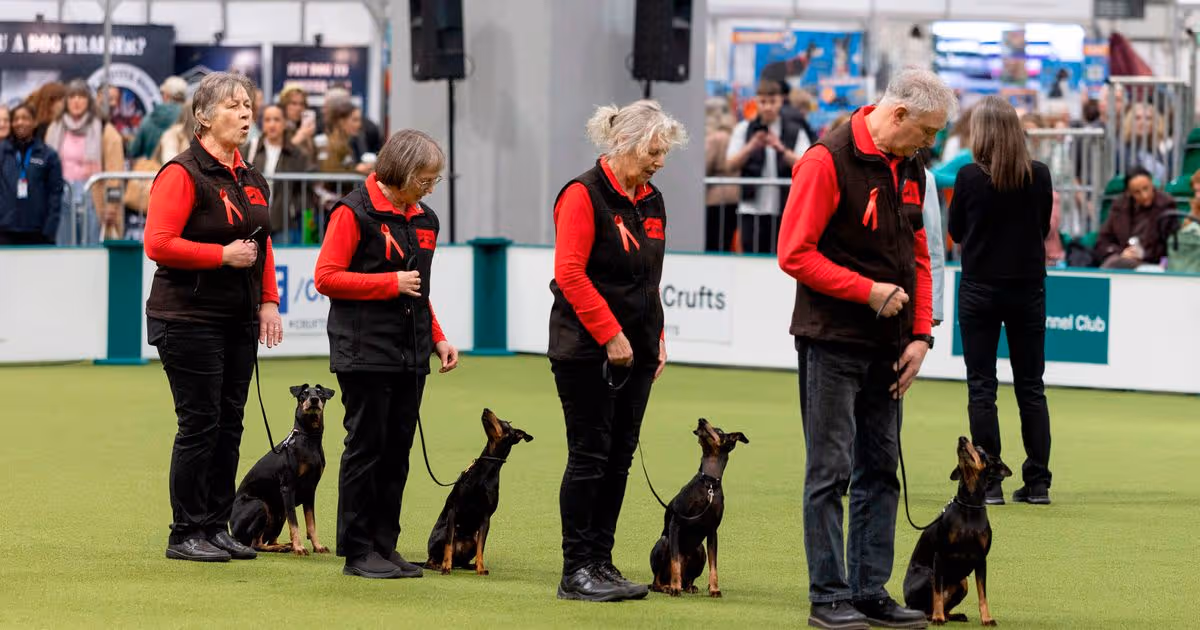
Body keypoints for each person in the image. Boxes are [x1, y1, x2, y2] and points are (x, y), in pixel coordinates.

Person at [777, 67, 953, 630]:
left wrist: (922, 336)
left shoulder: (911, 165)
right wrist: (868, 291)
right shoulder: (825, 161)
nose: (932, 144)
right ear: (898, 114)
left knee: (880, 470)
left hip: (893, 347)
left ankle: (869, 591)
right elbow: (793, 254)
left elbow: (921, 258)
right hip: (831, 342)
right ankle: (828, 597)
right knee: (830, 472)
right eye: (927, 131)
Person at [549, 100, 686, 602]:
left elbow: (651, 280)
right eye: (654, 150)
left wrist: (658, 339)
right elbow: (570, 274)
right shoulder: (582, 195)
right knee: (590, 456)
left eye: (664, 152)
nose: (660, 161)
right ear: (623, 143)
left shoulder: (652, 200)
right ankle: (575, 570)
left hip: (638, 351)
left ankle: (600, 563)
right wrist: (610, 334)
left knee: (619, 458)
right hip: (585, 350)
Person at [143, 72, 282, 563]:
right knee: (200, 423)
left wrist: (269, 301)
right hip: (186, 317)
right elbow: (157, 244)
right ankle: (184, 532)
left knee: (230, 424)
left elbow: (262, 247)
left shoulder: (253, 178)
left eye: (248, 105)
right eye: (233, 106)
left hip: (238, 318)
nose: (245, 114)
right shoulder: (181, 173)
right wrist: (219, 257)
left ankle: (216, 525)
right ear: (203, 116)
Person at [314, 129, 460, 580]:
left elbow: (420, 290)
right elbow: (326, 277)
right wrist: (387, 283)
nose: (431, 189)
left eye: (435, 182)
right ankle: (357, 550)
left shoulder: (425, 220)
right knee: (367, 448)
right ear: (402, 171)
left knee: (398, 452)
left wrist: (437, 336)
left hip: (412, 353)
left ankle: (385, 544)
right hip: (364, 351)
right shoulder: (353, 212)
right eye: (427, 180)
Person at [947, 95, 1054, 506]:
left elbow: (956, 230)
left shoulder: (969, 177)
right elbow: (1042, 227)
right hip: (1027, 288)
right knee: (1031, 387)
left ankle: (989, 482)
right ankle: (1038, 482)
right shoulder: (1039, 175)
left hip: (980, 288)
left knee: (982, 387)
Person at [726, 79, 811, 254]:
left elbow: (806, 166)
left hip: (785, 208)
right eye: (763, 102)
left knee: (781, 259)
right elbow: (730, 164)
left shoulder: (795, 130)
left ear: (781, 101)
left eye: (772, 102)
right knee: (750, 259)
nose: (768, 107)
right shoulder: (744, 129)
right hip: (751, 208)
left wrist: (781, 149)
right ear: (756, 101)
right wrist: (751, 147)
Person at [44, 80, 125, 244]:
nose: (76, 101)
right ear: (66, 101)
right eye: (72, 96)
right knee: (63, 248)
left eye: (81, 96)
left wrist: (112, 205)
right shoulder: (55, 127)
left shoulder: (104, 129)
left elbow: (115, 171)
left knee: (92, 249)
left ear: (89, 100)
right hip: (62, 196)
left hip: (93, 197)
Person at [249, 104, 314, 244]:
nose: (272, 124)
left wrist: (294, 209)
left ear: (284, 123)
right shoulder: (251, 148)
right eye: (267, 120)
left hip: (285, 221)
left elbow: (306, 186)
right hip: (254, 220)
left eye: (276, 119)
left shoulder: (297, 154)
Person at [0, 104, 63, 245]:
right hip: (5, 230)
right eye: (16, 119)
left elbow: (55, 195)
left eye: (25, 118)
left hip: (37, 232)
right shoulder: (2, 152)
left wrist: (49, 231)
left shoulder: (48, 155)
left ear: (34, 122)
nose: (20, 122)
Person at [1095, 166, 1175, 269]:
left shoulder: (1166, 205)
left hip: (1152, 262)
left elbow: (1169, 245)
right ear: (1129, 192)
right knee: (1116, 262)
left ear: (1152, 183)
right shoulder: (1119, 206)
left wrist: (1143, 254)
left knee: (1114, 264)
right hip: (1123, 257)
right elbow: (1103, 241)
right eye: (1137, 192)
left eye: (1146, 188)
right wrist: (1122, 252)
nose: (1144, 195)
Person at [704, 97, 739, 252]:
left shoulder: (715, 138)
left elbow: (705, 166)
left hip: (716, 197)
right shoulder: (733, 135)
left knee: (714, 243)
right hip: (735, 195)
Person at [129, 76, 187, 159]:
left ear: (166, 95)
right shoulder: (193, 118)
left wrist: (128, 142)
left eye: (162, 93)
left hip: (153, 170)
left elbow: (134, 151)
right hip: (183, 170)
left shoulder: (148, 120)